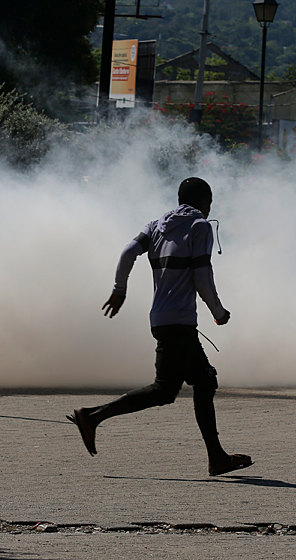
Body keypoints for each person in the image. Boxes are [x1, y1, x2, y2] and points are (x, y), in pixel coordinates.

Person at [67, 177, 253, 477]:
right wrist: (218, 312)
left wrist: (119, 289)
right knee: (165, 390)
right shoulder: (200, 227)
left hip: (164, 319)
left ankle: (217, 458)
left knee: (204, 381)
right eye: (210, 201)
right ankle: (92, 416)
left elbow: (128, 252)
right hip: (178, 323)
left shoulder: (155, 225)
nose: (211, 207)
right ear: (204, 202)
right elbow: (202, 275)